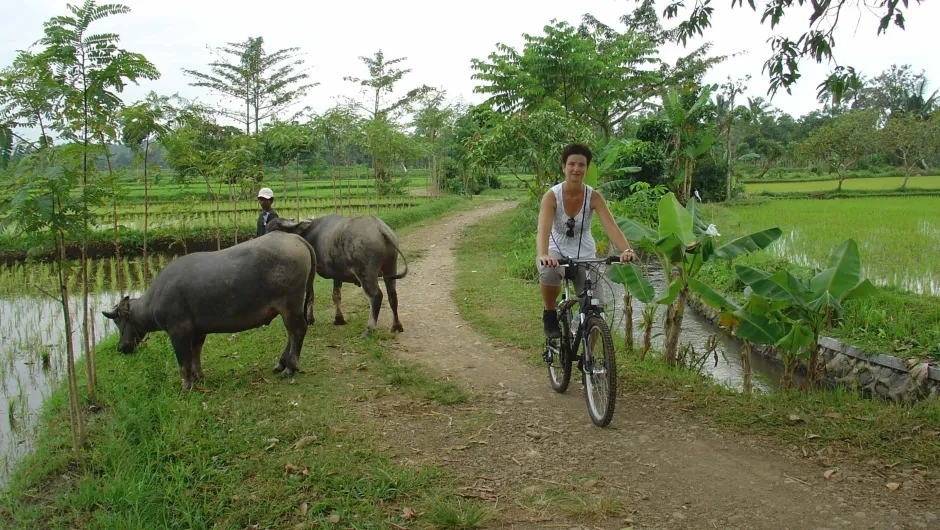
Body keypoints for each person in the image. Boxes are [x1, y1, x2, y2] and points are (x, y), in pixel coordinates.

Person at [536, 143, 637, 339]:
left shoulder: (594, 197)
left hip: (585, 254)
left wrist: (626, 249)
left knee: (595, 307)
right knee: (548, 273)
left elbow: (611, 226)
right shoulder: (551, 196)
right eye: (571, 164)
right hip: (555, 250)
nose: (576, 169)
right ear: (563, 167)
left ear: (586, 168)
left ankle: (589, 360)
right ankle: (549, 312)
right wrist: (543, 255)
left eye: (581, 165)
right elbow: (543, 229)